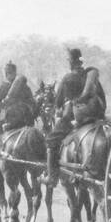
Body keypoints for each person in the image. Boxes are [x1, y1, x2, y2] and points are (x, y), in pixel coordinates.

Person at [43, 49, 88, 183]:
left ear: (72, 62)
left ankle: (52, 176)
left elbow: (58, 101)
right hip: (93, 115)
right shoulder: (89, 76)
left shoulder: (68, 78)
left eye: (69, 61)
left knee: (51, 140)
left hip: (73, 116)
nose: (68, 63)